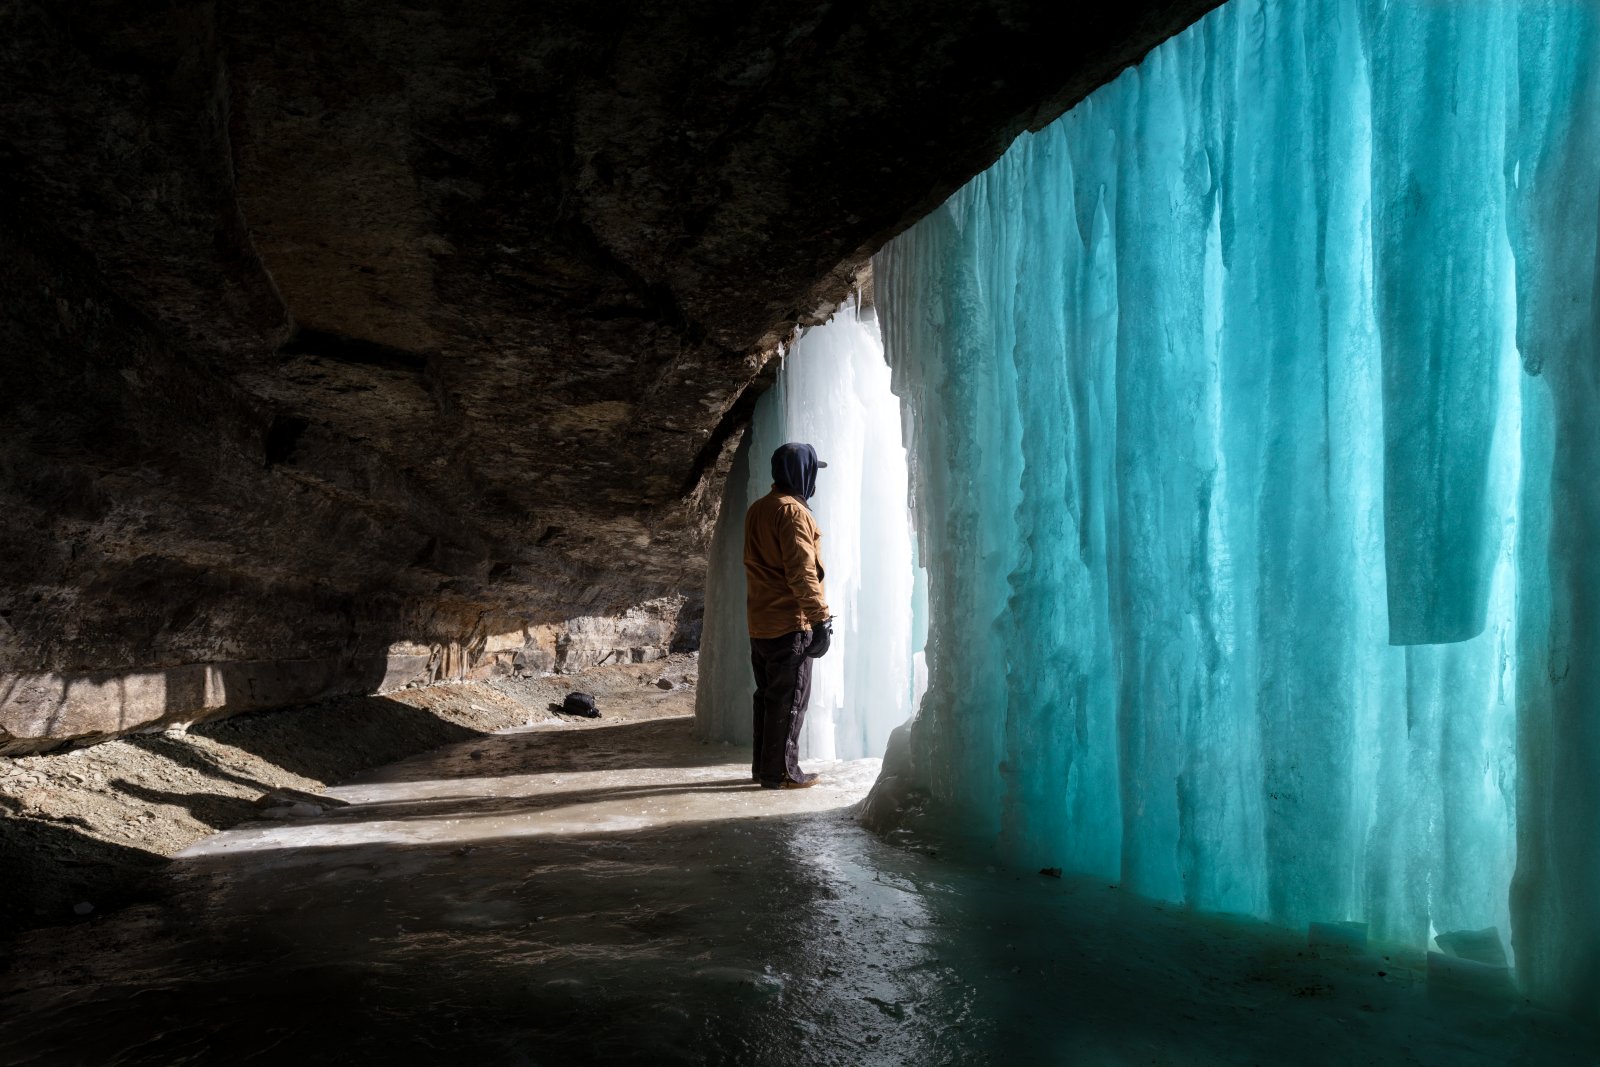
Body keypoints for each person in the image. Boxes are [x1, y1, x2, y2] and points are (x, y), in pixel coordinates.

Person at [743, 441, 834, 789]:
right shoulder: (793, 512)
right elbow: (802, 571)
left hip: (761, 624)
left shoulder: (759, 508)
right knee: (789, 699)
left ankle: (763, 769)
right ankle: (782, 772)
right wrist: (819, 619)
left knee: (767, 699)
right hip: (788, 624)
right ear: (802, 472)